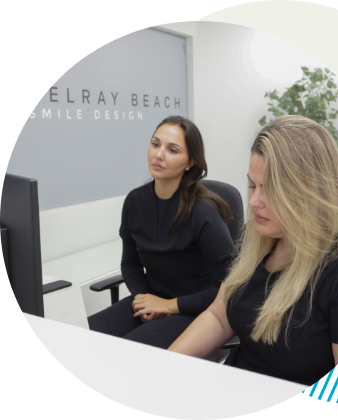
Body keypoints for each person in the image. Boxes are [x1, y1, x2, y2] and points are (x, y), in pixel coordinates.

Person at [168, 115, 338, 386]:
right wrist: (165, 367)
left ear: (311, 191)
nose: (253, 201)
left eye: (271, 190)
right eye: (253, 185)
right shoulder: (262, 237)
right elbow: (219, 316)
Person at [88, 116, 235, 355]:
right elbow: (130, 262)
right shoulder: (135, 201)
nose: (158, 155)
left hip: (198, 310)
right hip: (153, 300)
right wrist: (142, 299)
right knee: (81, 337)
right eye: (155, 144)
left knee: (122, 356)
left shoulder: (203, 212)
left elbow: (228, 288)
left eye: (172, 150)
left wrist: (168, 305)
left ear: (190, 162)